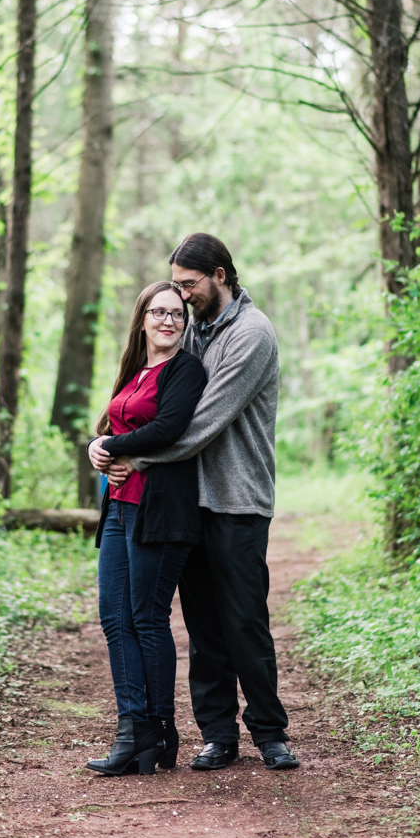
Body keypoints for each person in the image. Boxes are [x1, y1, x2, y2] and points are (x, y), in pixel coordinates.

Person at [91, 234, 298, 772]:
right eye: (175, 287)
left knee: (243, 619)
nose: (182, 297)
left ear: (221, 275)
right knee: (202, 625)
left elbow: (201, 422)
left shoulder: (251, 334)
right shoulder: (194, 331)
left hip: (236, 497)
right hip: (187, 499)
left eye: (189, 285)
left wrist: (139, 459)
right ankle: (218, 734)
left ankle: (270, 732)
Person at [86, 281, 207, 777]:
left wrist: (113, 448)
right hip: (118, 507)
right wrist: (98, 446)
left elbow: (171, 429)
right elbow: (113, 426)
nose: (167, 320)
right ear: (141, 319)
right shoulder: (135, 371)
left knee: (147, 617)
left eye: (176, 314)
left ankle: (160, 730)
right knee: (115, 619)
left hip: (160, 511)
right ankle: (131, 731)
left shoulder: (186, 371)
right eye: (158, 312)